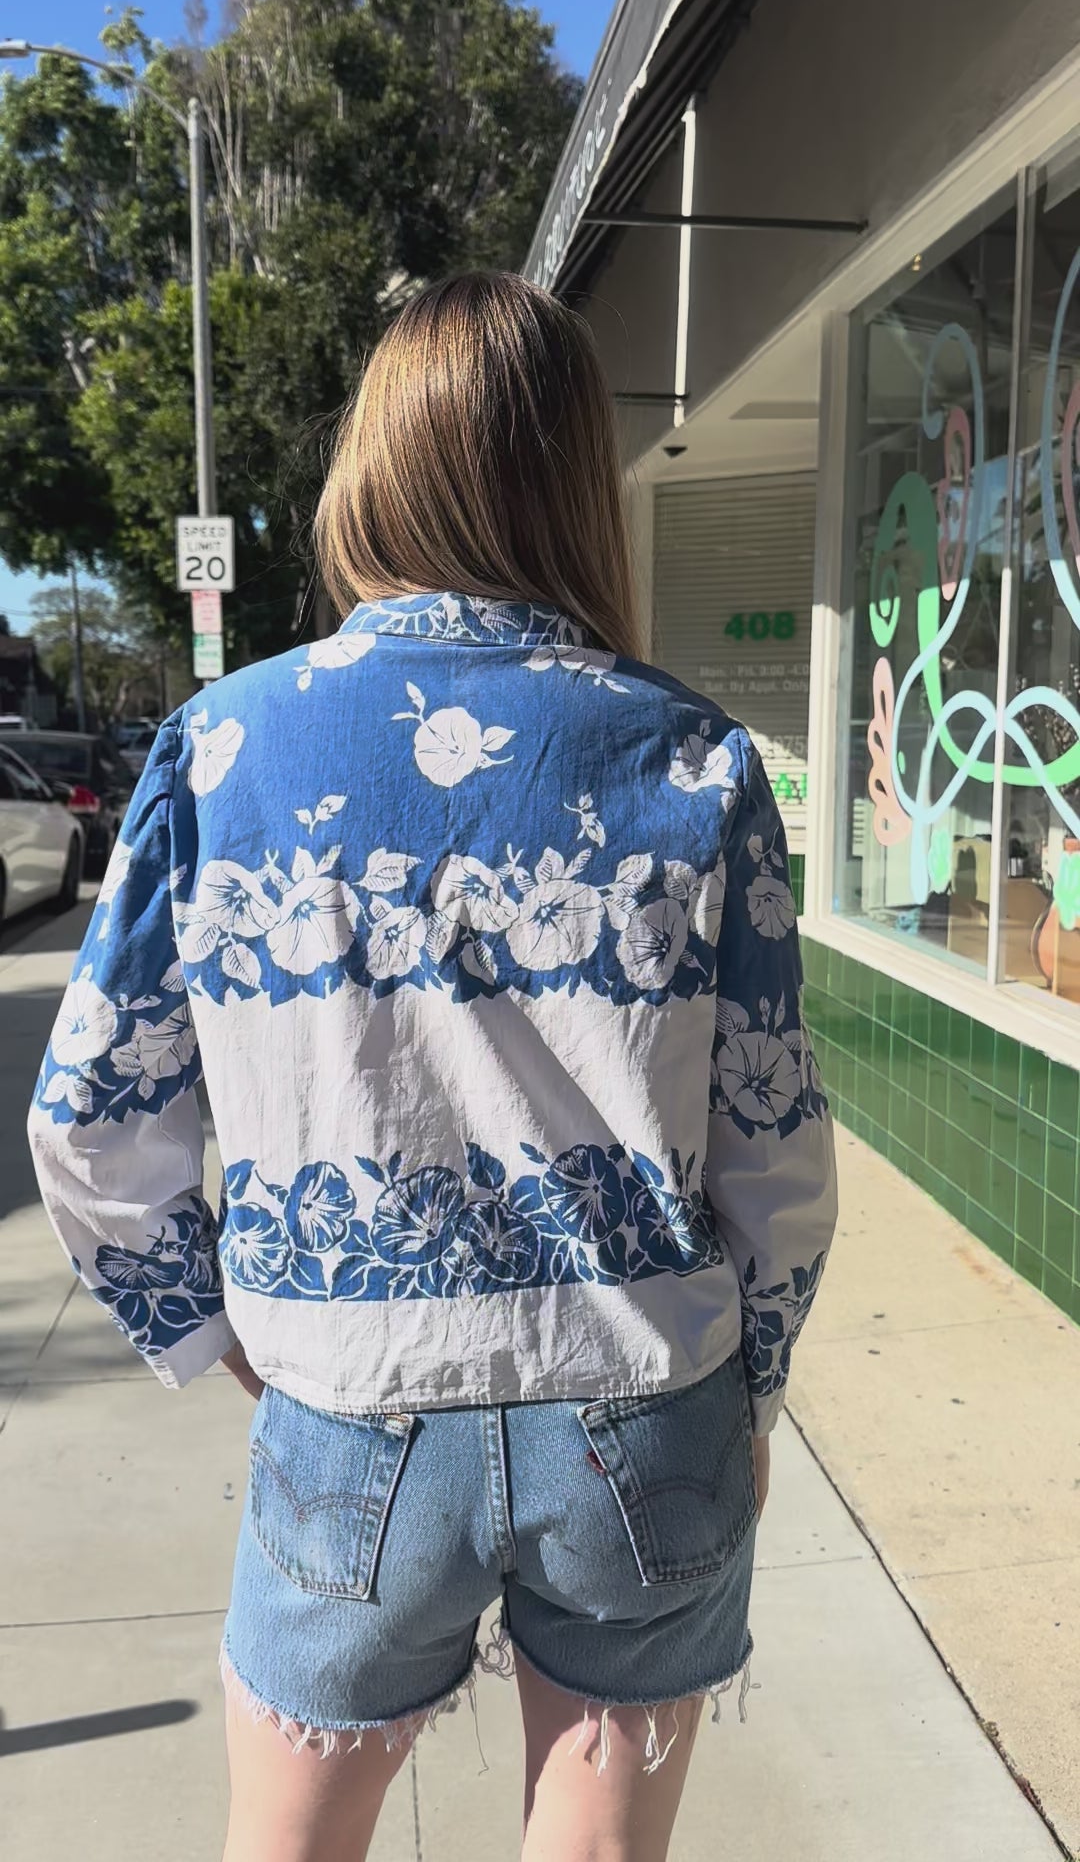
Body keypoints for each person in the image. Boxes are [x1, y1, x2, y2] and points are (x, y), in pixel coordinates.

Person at [28, 270, 837, 1862]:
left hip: (352, 1405)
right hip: (643, 1407)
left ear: (370, 474)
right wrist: (761, 1373)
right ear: (570, 491)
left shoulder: (225, 749)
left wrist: (219, 1337)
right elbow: (775, 1148)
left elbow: (92, 1125)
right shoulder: (695, 755)